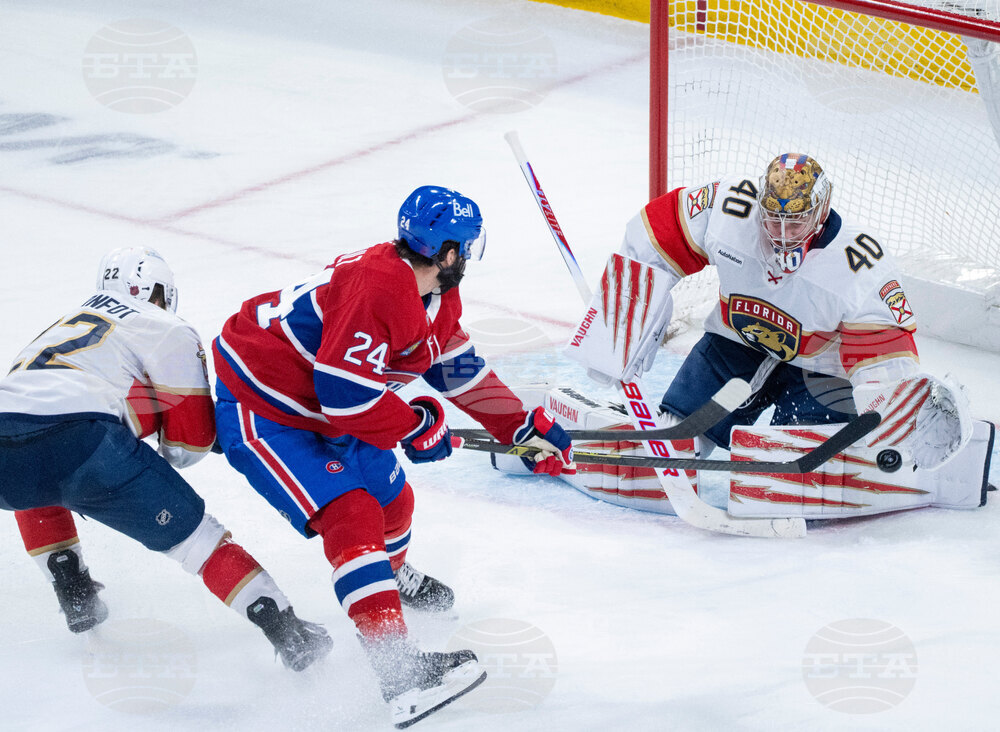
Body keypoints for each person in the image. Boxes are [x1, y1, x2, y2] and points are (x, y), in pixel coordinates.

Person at [212, 185, 576, 727]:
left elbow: (454, 368)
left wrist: (519, 425)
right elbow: (343, 393)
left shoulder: (434, 292)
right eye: (467, 247)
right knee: (351, 514)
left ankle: (390, 576)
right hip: (265, 407)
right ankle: (397, 671)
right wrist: (414, 425)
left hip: (326, 406)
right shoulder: (379, 287)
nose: (470, 258)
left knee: (392, 501)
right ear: (449, 253)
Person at [1, 247, 332, 672]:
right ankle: (288, 633)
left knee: (36, 473)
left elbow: (31, 421)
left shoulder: (62, 323)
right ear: (158, 290)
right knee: (200, 543)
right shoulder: (162, 323)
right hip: (85, 442)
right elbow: (189, 444)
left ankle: (72, 587)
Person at [567, 153, 973, 488]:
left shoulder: (859, 264)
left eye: (794, 221)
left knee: (787, 476)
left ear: (820, 212)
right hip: (732, 347)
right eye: (771, 219)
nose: (780, 233)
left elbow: (883, 358)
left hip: (820, 375)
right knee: (675, 446)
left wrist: (888, 427)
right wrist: (620, 324)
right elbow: (654, 235)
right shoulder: (729, 208)